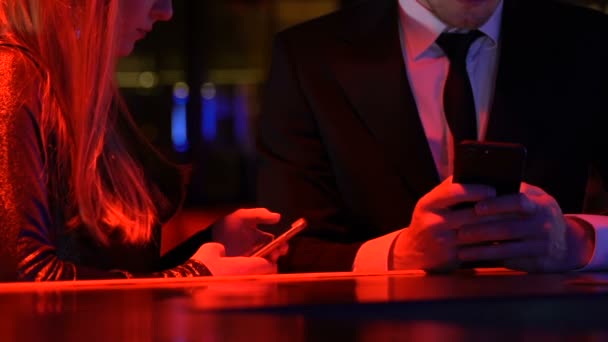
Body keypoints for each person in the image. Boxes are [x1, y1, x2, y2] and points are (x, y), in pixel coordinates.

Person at [257, 0, 608, 273]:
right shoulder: (309, 56)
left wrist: (578, 242)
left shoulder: (589, 42)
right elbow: (286, 245)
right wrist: (397, 254)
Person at [0, 0, 286, 282]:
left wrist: (210, 245)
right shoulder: (11, 72)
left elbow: (108, 281)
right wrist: (190, 275)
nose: (166, 11)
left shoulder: (79, 93)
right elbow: (23, 277)